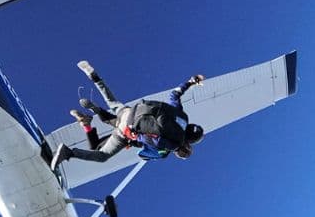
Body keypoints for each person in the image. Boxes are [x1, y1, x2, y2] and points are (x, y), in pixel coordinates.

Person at [51, 60, 205, 170]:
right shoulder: (175, 143)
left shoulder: (181, 115)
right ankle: (68, 152)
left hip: (133, 111)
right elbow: (153, 143)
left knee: (112, 102)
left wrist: (191, 82)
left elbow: (175, 95)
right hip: (129, 128)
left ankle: (95, 78)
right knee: (102, 154)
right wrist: (134, 138)